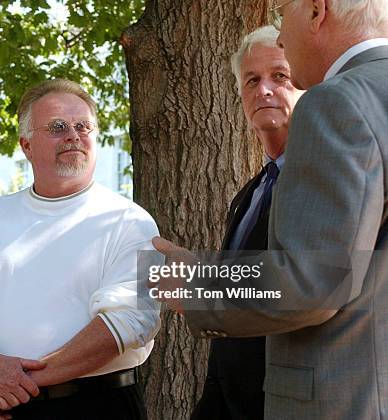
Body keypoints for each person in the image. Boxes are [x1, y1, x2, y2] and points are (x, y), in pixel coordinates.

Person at [153, 0, 388, 418]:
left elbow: (313, 279)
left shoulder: (337, 101)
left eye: (282, 14)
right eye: (250, 80)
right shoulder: (251, 191)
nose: (280, 34)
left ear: (317, 12)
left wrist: (194, 288)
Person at [0, 79, 160, 420]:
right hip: (1, 409)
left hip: (98, 406)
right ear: (26, 146)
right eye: (57, 127)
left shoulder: (131, 222)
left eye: (83, 125)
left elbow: (130, 320)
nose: (73, 134)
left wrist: (14, 384)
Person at [191, 25, 303, 420]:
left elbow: (306, 285)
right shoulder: (249, 194)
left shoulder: (318, 183)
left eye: (280, 76)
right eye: (251, 80)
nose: (264, 90)